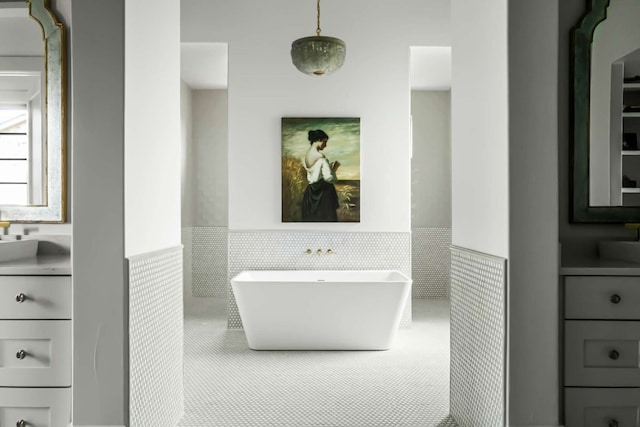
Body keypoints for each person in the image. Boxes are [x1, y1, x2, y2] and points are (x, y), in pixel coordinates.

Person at [301, 129, 340, 221]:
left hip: (310, 192)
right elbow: (329, 178)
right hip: (322, 193)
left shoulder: (307, 155)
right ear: (318, 140)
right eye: (324, 142)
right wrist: (334, 169)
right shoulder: (321, 157)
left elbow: (314, 173)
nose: (325, 145)